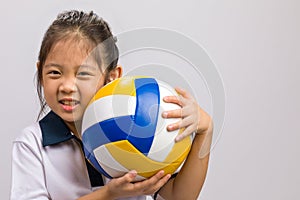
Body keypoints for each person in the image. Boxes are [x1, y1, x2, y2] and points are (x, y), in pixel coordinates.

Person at [10, 10, 213, 200]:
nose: (67, 86)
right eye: (55, 72)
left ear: (112, 77)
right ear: (40, 72)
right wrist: (108, 193)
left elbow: (179, 196)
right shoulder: (32, 143)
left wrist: (205, 130)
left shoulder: (136, 128)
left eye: (83, 73)